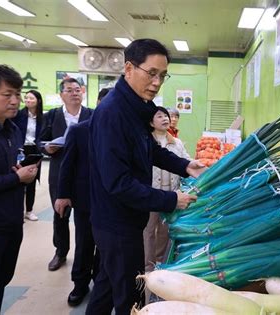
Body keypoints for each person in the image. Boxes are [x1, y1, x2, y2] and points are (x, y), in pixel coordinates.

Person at [86, 38, 205, 315]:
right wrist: (170, 199)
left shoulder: (135, 108)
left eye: (162, 75)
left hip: (122, 220)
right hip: (116, 224)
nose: (157, 82)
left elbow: (150, 150)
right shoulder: (113, 114)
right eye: (151, 73)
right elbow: (119, 183)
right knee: (131, 297)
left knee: (105, 288)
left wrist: (185, 166)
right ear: (129, 68)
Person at [54, 88, 111, 307]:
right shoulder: (79, 131)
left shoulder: (120, 131)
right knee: (84, 243)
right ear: (98, 103)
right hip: (85, 199)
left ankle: (99, 280)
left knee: (104, 244)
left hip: (110, 200)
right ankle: (79, 284)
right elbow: (66, 166)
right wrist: (63, 195)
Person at [0, 63, 38, 315]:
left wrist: (22, 172)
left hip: (11, 221)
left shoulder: (13, 129)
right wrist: (16, 179)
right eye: (6, 94)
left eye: (17, 94)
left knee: (0, 281)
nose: (15, 100)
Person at [39, 78, 93, 272]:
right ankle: (61, 251)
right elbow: (40, 141)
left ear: (83, 92)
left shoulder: (91, 114)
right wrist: (47, 148)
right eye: (69, 90)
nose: (74, 93)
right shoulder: (52, 116)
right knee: (60, 213)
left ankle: (84, 257)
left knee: (85, 217)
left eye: (78, 90)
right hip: (59, 171)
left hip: (84, 173)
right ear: (62, 95)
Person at [143, 106, 190, 271]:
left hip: (171, 194)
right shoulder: (147, 142)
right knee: (148, 230)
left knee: (164, 230)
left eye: (166, 116)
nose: (165, 119)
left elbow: (186, 161)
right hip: (151, 193)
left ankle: (160, 263)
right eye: (159, 116)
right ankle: (147, 265)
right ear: (151, 122)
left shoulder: (176, 143)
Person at [12, 90, 44, 221]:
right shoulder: (19, 115)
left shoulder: (43, 117)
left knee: (31, 181)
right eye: (26, 98)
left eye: (31, 98)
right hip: (20, 150)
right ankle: (17, 211)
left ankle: (29, 211)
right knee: (18, 180)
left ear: (38, 101)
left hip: (35, 150)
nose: (28, 100)